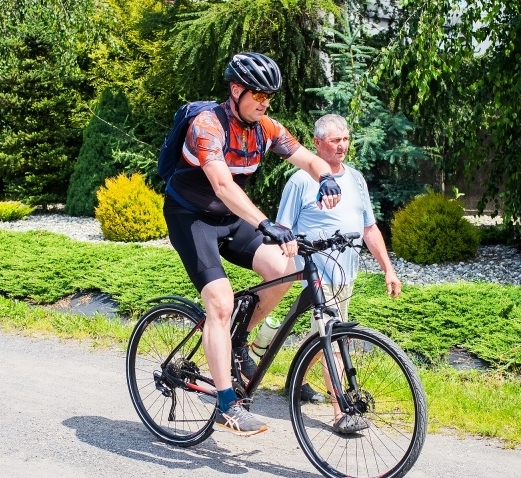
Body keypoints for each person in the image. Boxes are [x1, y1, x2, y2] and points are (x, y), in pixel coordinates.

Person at [163, 52, 342, 436]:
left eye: (269, 97)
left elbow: (309, 160)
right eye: (258, 95)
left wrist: (326, 177)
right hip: (190, 218)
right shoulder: (207, 126)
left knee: (283, 268)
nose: (264, 103)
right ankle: (226, 405)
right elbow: (222, 185)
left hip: (228, 219)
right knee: (220, 302)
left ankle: (239, 341)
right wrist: (264, 223)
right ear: (236, 89)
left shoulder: (266, 128)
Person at [276, 113, 401, 434]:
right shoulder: (301, 180)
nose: (342, 145)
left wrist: (388, 269)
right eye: (335, 140)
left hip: (346, 273)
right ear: (317, 143)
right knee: (332, 338)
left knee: (321, 335)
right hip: (317, 273)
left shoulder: (356, 179)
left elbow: (369, 228)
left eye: (345, 139)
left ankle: (293, 376)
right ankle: (340, 411)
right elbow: (282, 228)